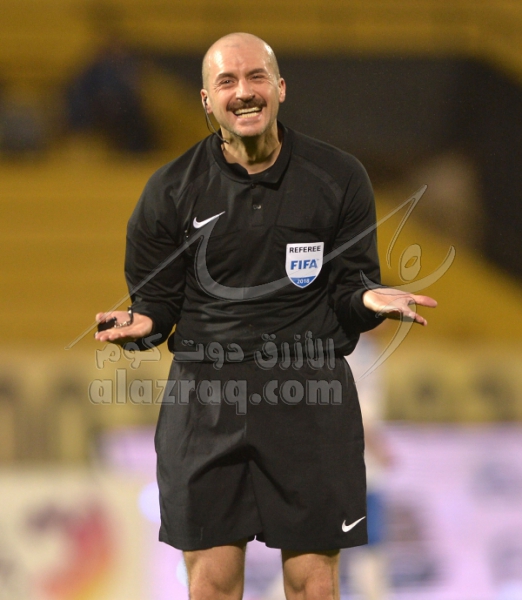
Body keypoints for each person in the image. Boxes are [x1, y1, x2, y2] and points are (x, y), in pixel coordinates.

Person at [95, 32, 436, 600]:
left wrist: (368, 299)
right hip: (206, 401)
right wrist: (143, 325)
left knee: (314, 585)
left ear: (280, 88)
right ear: (207, 100)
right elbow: (157, 302)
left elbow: (351, 286)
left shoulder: (338, 176)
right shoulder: (171, 190)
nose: (244, 91)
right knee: (211, 584)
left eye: (256, 76)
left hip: (309, 398)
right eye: (226, 81)